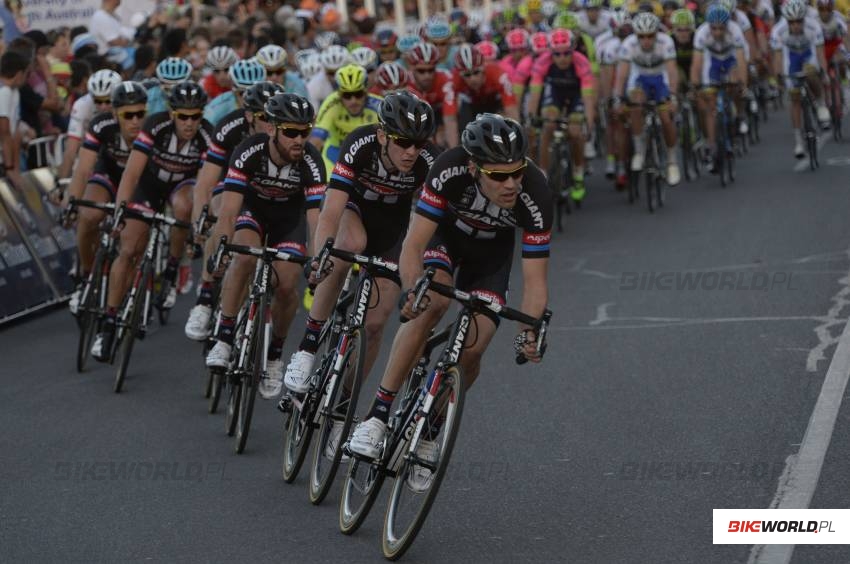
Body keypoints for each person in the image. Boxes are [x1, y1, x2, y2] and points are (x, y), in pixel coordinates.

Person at [346, 114, 551, 492]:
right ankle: (376, 416)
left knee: (475, 347)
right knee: (433, 302)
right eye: (499, 175)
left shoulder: (535, 191)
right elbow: (413, 244)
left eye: (517, 172)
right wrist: (411, 291)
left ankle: (430, 433)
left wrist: (529, 331)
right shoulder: (448, 167)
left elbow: (536, 282)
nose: (511, 184)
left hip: (491, 257)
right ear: (474, 168)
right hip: (444, 239)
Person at [283, 93, 439, 457]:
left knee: (374, 324)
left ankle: (342, 412)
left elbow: (433, 228)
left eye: (418, 143)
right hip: (353, 211)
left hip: (392, 229)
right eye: (402, 141)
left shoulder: (427, 162)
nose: (411, 151)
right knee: (348, 243)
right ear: (384, 136)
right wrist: (321, 254)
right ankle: (308, 346)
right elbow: (330, 210)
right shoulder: (361, 143)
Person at [204, 93, 325, 399]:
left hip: (289, 220)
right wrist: (221, 245)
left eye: (305, 131)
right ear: (271, 128)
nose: (299, 139)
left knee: (286, 286)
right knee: (243, 259)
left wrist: (316, 259)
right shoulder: (249, 150)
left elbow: (315, 221)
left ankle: (274, 356)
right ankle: (225, 335)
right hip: (252, 211)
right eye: (291, 132)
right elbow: (229, 209)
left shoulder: (311, 161)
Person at [92, 82, 212, 361]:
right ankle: (108, 324)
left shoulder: (207, 135)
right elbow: (131, 173)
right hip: (148, 185)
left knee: (185, 206)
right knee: (129, 249)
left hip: (182, 186)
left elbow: (206, 184)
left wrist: (199, 227)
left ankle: (172, 268)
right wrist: (121, 209)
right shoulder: (155, 126)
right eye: (183, 116)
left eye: (196, 116)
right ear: (172, 113)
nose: (190, 123)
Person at [184, 80, 284, 341]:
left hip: (269, 193)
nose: (271, 124)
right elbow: (206, 181)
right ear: (249, 116)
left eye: (276, 118)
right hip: (231, 185)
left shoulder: (286, 134)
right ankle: (205, 298)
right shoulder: (230, 126)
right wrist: (200, 218)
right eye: (264, 117)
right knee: (219, 214)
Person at [64, 81, 147, 313]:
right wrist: (72, 201)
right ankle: (87, 276)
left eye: (140, 113)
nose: (135, 121)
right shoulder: (101, 124)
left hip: (139, 183)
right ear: (114, 113)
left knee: (133, 244)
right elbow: (83, 170)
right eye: (128, 115)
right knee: (89, 215)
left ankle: (126, 296)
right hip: (108, 174)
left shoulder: (152, 130)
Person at [528, 28, 597, 202]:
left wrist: (589, 122)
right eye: (557, 54)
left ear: (573, 49)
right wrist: (531, 117)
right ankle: (543, 175)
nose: (562, 58)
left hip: (576, 96)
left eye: (566, 53)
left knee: (575, 132)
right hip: (555, 95)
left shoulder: (582, 62)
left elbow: (588, 97)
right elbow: (535, 94)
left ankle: (578, 174)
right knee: (548, 125)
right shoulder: (542, 62)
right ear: (550, 52)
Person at [613, 12, 682, 185]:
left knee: (666, 117)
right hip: (640, 78)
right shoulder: (629, 44)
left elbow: (672, 71)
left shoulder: (666, 42)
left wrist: (673, 96)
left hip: (661, 78)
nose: (646, 40)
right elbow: (622, 75)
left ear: (656, 34)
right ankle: (639, 151)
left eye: (650, 36)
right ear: (636, 35)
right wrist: (618, 98)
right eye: (642, 36)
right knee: (635, 105)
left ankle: (672, 161)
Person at [691, 4, 748, 172]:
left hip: (730, 59)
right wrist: (697, 86)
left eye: (720, 28)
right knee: (710, 105)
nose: (717, 32)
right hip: (712, 62)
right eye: (713, 28)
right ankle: (712, 145)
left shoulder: (735, 31)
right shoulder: (701, 33)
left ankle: (740, 114)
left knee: (735, 83)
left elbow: (741, 60)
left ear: (727, 25)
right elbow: (697, 63)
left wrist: (742, 84)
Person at [770, 0, 831, 157]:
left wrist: (823, 72)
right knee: (794, 98)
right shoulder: (778, 31)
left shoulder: (813, 26)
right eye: (792, 22)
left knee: (811, 73)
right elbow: (777, 58)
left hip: (808, 55)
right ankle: (798, 140)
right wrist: (778, 78)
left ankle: (821, 104)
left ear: (804, 19)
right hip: (790, 58)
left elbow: (819, 53)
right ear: (787, 21)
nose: (796, 25)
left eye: (799, 21)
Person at [309, 63, 382, 174]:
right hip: (335, 153)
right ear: (339, 94)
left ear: (366, 91)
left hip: (367, 156)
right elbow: (316, 140)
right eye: (347, 95)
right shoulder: (332, 103)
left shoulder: (378, 105)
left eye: (358, 94)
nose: (353, 101)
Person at [57, 69, 122, 182]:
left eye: (107, 101)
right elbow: (71, 149)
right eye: (98, 101)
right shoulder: (82, 105)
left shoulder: (125, 104)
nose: (103, 106)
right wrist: (61, 183)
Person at [202, 58, 267, 126]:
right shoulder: (217, 109)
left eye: (256, 94)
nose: (249, 100)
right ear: (233, 90)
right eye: (242, 93)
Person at [0, 49, 28, 186]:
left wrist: (16, 168)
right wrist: (9, 168)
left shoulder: (14, 92)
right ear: (19, 74)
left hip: (7, 155)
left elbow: (15, 132)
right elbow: (4, 131)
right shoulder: (4, 92)